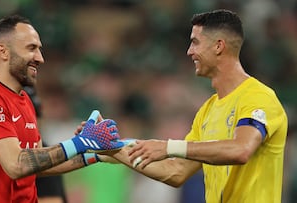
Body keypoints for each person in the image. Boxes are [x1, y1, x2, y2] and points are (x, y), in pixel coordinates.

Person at [103, 9, 288, 203]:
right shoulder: (207, 111)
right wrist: (112, 149)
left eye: (195, 42)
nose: (189, 51)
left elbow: (241, 150)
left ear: (218, 46)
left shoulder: (258, 97)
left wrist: (168, 147)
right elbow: (176, 172)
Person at [0, 14, 123, 203]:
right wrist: (80, 143)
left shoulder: (25, 100)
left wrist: (93, 154)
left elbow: (40, 166)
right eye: (31, 48)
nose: (40, 58)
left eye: (39, 50)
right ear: (3, 51)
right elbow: (16, 164)